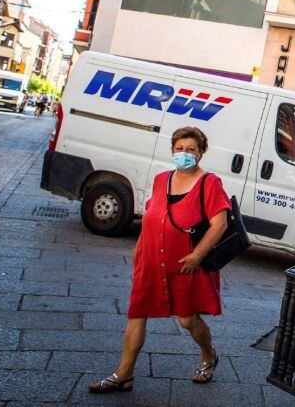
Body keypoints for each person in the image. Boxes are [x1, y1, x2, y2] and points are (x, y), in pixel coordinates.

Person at [90, 126, 231, 393]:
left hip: (187, 264)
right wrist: (139, 250)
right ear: (172, 151)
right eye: (179, 149)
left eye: (191, 149)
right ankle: (124, 374)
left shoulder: (209, 182)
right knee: (137, 313)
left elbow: (219, 224)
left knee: (187, 320)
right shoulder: (161, 179)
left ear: (201, 153)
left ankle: (209, 355)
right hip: (152, 259)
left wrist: (197, 256)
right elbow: (150, 217)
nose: (184, 154)